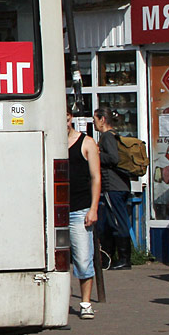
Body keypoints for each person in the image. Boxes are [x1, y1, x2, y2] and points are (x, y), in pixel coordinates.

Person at [69, 109, 101, 320]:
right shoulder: (49, 140)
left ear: (69, 118)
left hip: (79, 209)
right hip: (54, 210)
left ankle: (86, 303)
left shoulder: (86, 142)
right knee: (56, 262)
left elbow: (96, 177)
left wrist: (93, 208)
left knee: (82, 258)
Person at [94, 106, 133, 270]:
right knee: (113, 221)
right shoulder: (114, 136)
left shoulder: (107, 137)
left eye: (95, 119)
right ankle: (113, 256)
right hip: (121, 185)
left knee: (118, 222)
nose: (94, 123)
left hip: (113, 186)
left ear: (102, 119)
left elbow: (113, 158)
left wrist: (96, 154)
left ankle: (125, 259)